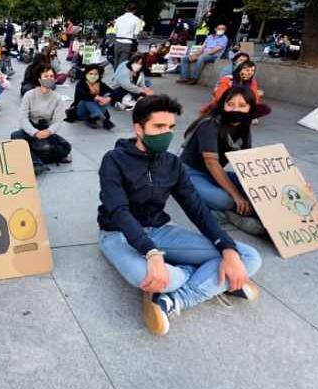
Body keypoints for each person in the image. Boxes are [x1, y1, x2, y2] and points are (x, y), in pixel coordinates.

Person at [97, 94, 262, 336]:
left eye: (171, 127)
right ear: (139, 129)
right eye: (159, 126)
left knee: (248, 257)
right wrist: (152, 253)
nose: (166, 133)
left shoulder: (172, 164)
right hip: (118, 234)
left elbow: (197, 210)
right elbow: (119, 211)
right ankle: (214, 280)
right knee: (152, 276)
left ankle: (175, 300)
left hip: (159, 230)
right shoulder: (114, 160)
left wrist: (227, 248)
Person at [181, 86, 264, 234]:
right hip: (190, 173)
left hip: (216, 174)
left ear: (250, 108)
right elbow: (211, 163)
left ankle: (241, 210)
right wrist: (236, 195)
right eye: (230, 104)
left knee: (258, 191)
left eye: (242, 105)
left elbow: (247, 161)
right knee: (224, 200)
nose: (235, 109)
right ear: (223, 104)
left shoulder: (245, 126)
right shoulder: (209, 124)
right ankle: (229, 215)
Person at [10, 66, 70, 174]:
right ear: (39, 79)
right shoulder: (29, 95)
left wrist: (49, 131)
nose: (49, 78)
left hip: (46, 130)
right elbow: (23, 118)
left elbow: (58, 121)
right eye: (46, 76)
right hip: (31, 129)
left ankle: (32, 157)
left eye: (51, 76)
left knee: (64, 147)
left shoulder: (57, 98)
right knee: (15, 136)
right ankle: (37, 163)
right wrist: (35, 132)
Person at [201, 61, 271, 121]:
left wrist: (254, 95)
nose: (250, 73)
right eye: (247, 70)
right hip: (225, 106)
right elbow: (219, 97)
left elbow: (255, 100)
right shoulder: (228, 80)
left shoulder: (253, 82)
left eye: (252, 71)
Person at [72, 65, 114, 130]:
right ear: (86, 74)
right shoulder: (81, 84)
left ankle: (93, 118)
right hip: (82, 110)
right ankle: (103, 119)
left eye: (95, 74)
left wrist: (107, 98)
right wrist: (97, 97)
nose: (93, 76)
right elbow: (83, 95)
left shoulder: (100, 84)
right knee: (87, 99)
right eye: (90, 74)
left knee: (107, 96)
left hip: (97, 109)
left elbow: (112, 92)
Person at [113, 3, 142, 69]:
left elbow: (115, 31)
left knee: (116, 61)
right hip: (127, 42)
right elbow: (136, 34)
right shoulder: (136, 19)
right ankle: (120, 75)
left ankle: (115, 74)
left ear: (126, 9)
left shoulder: (119, 18)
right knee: (123, 63)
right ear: (134, 10)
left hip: (117, 41)